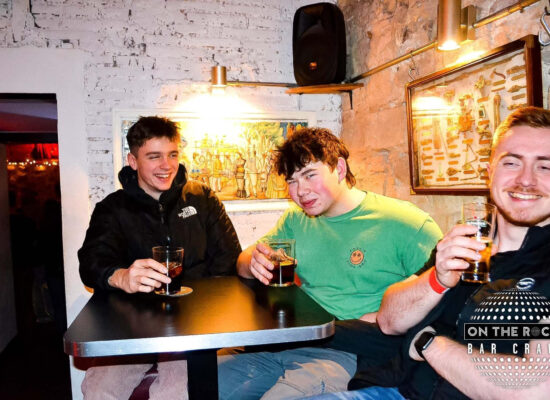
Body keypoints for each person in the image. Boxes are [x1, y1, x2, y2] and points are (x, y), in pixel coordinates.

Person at [309, 106, 550, 399]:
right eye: (511, 163)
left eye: (545, 166)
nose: (526, 180)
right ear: (489, 173)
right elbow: (389, 320)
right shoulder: (466, 239)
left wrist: (429, 343)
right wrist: (436, 278)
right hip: (396, 389)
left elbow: (535, 389)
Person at [217, 127, 442, 399]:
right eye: (291, 181)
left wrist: (387, 320)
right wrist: (252, 260)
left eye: (310, 175)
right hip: (290, 340)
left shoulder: (406, 223)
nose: (300, 191)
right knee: (204, 384)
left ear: (339, 169)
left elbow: (443, 298)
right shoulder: (295, 220)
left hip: (351, 350)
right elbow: (243, 262)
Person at [78, 116, 241, 400]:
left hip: (194, 325)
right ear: (133, 160)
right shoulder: (112, 208)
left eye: (172, 154)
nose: (166, 165)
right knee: (97, 388)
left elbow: (229, 257)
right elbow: (91, 264)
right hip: (133, 327)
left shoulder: (202, 198)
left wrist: (204, 305)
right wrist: (122, 277)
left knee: (173, 392)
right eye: (154, 157)